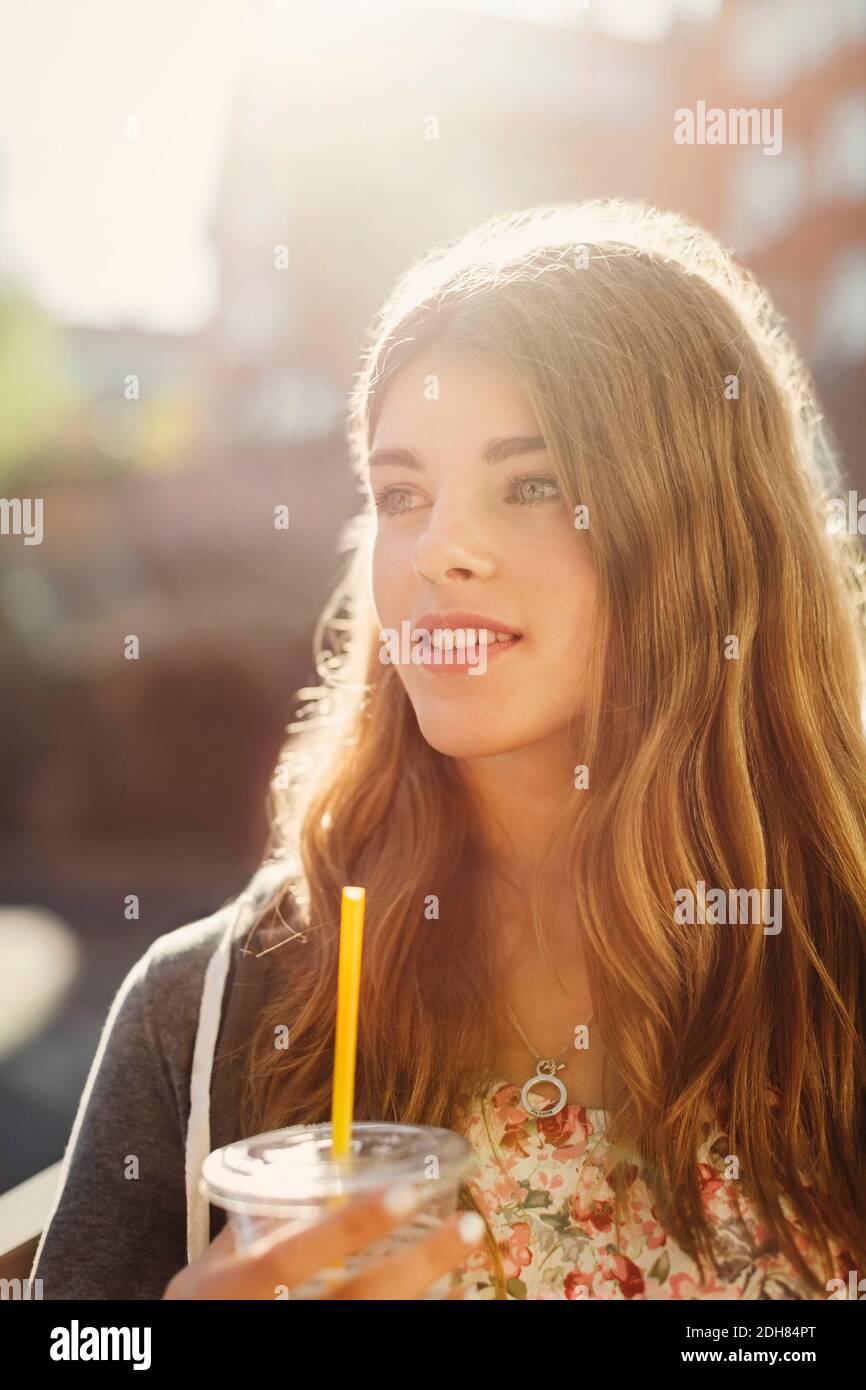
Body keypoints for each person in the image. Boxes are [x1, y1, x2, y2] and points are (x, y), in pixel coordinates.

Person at [32, 200, 866, 1300]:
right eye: (400, 494)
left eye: (532, 483)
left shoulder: (833, 958)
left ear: (707, 531)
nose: (437, 551)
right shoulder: (204, 1009)